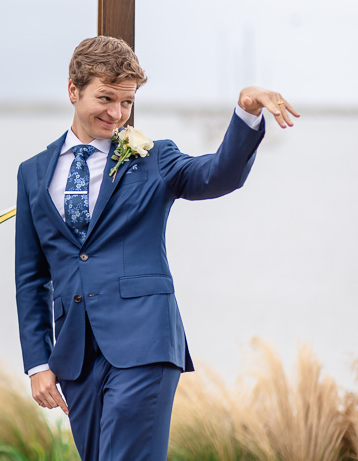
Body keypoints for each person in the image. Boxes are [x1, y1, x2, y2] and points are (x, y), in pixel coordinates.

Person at [15, 36, 299, 460]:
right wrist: (38, 363)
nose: (116, 113)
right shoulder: (33, 172)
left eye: (126, 102)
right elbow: (31, 276)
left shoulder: (154, 159)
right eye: (106, 98)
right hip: (75, 355)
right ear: (73, 91)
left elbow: (218, 175)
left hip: (144, 342)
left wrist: (246, 113)